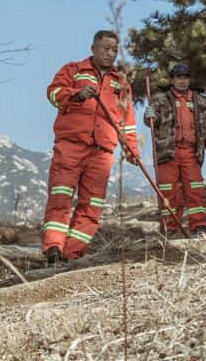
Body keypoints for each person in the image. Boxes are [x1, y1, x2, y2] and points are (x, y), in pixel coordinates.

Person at [42, 30, 141, 263]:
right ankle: (53, 248)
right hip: (71, 146)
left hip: (103, 151)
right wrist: (77, 94)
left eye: (115, 50)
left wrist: (131, 150)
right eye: (105, 48)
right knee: (61, 196)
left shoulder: (122, 83)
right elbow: (53, 94)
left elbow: (127, 121)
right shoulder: (73, 70)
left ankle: (73, 255)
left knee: (92, 205)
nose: (110, 54)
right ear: (93, 49)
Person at [143, 63, 206, 237]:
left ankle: (199, 226)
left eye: (186, 77)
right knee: (169, 192)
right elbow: (150, 122)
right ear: (172, 80)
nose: (183, 81)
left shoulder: (199, 100)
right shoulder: (159, 98)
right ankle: (169, 229)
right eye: (179, 78)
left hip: (191, 153)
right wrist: (148, 115)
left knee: (196, 190)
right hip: (167, 153)